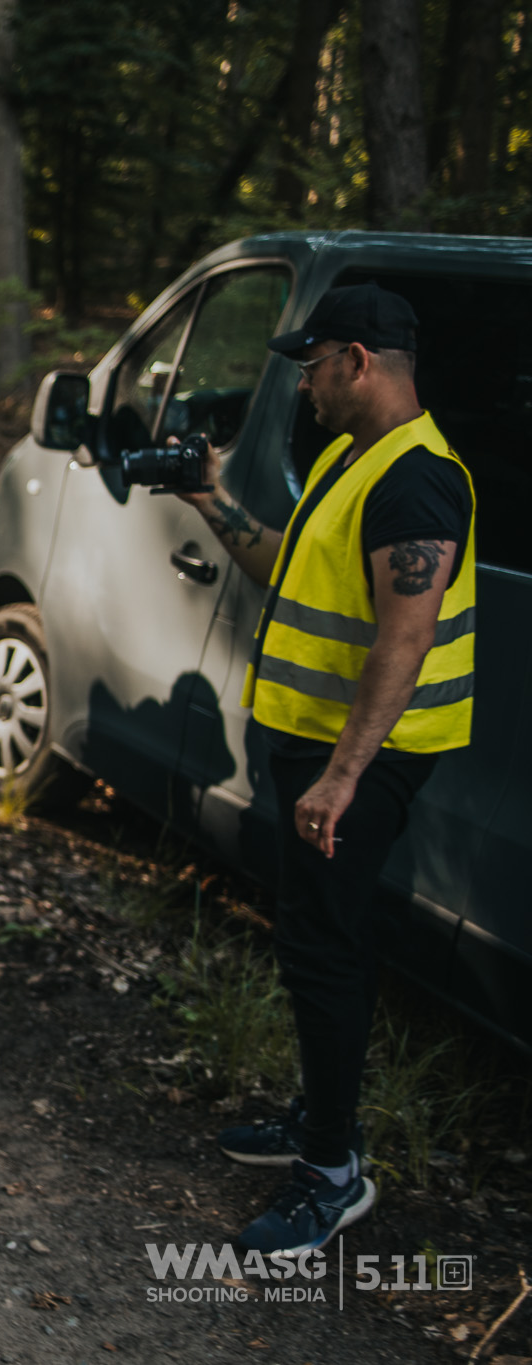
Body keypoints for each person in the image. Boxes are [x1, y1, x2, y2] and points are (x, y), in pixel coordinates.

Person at [177, 283, 474, 1257]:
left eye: (309, 366)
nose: (300, 384)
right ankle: (317, 1120)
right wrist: (206, 499)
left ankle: (331, 1172)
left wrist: (342, 776)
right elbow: (281, 568)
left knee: (323, 948)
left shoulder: (414, 479)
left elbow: (406, 637)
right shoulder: (354, 459)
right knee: (315, 938)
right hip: (312, 745)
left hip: (357, 761)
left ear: (354, 360)